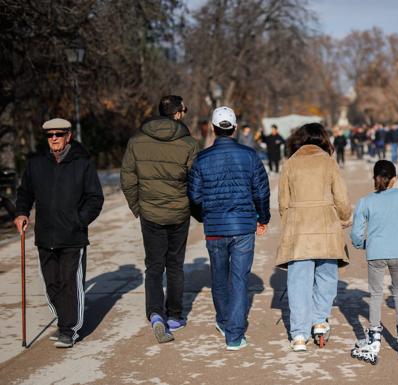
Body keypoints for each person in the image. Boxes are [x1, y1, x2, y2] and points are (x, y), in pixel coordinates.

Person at [14, 118, 104, 348]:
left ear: (68, 136)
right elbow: (25, 193)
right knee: (52, 285)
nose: (53, 138)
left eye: (58, 134)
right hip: (45, 236)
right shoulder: (36, 164)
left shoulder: (82, 163)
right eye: (49, 135)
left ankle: (68, 329)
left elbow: (95, 198)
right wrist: (22, 213)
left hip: (72, 237)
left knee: (69, 284)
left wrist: (79, 220)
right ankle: (65, 319)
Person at [187, 106, 269, 350]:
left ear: (213, 128)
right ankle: (234, 335)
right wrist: (262, 218)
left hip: (215, 227)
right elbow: (261, 191)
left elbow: (193, 196)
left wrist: (203, 217)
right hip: (243, 226)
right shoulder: (250, 155)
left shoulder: (201, 159)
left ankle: (224, 321)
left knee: (219, 278)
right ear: (234, 128)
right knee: (239, 280)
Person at [121, 95, 199, 343]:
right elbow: (195, 181)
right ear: (178, 114)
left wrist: (138, 206)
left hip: (151, 213)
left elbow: (127, 178)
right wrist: (193, 208)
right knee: (175, 265)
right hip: (178, 212)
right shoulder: (188, 143)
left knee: (154, 266)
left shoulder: (137, 141)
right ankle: (174, 315)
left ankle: (155, 314)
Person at [276, 123, 351, 352]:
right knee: (327, 278)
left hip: (298, 228)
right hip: (326, 226)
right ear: (323, 139)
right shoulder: (328, 161)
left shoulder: (290, 164)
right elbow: (341, 196)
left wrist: (289, 220)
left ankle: (299, 334)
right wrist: (345, 216)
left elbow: (283, 202)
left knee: (299, 282)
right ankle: (319, 321)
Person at [350, 160, 398, 364]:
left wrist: (361, 244)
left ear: (374, 178)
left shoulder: (366, 201)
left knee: (375, 294)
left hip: (375, 253)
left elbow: (356, 232)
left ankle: (374, 338)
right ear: (394, 179)